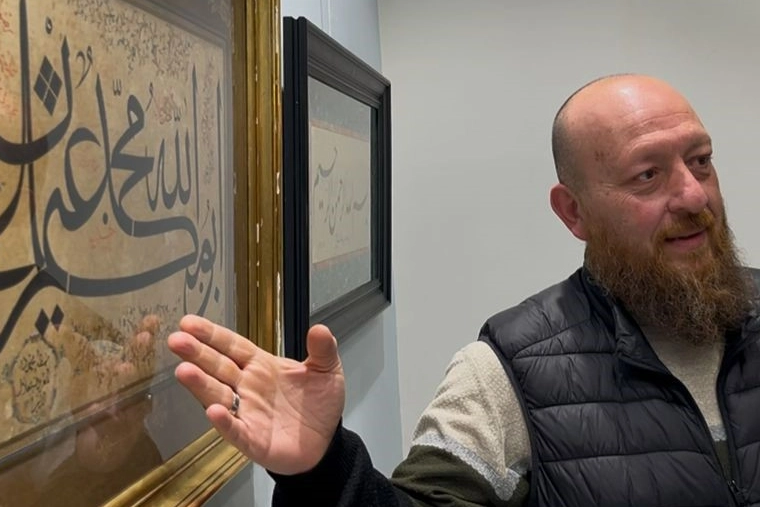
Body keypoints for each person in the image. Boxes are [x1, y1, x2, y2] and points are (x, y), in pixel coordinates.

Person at [167, 74, 760, 506]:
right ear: (573, 212)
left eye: (700, 161)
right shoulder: (508, 371)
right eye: (648, 175)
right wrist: (323, 470)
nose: (694, 196)